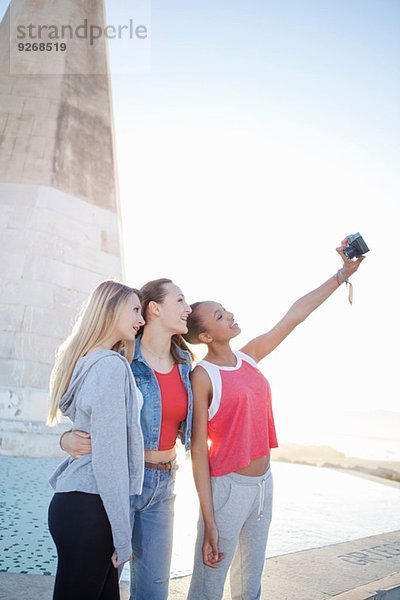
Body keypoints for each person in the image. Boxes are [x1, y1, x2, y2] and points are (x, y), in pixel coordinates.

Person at [183, 239, 365, 600]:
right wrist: (209, 519)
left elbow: (294, 315)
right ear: (205, 336)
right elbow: (199, 452)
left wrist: (341, 275)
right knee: (208, 585)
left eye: (225, 309)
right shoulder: (203, 376)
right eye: (220, 316)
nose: (230, 315)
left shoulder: (249, 357)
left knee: (250, 584)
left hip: (264, 485)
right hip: (227, 489)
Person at [59, 278, 194, 600]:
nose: (187, 308)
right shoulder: (118, 361)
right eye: (180, 300)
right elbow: (87, 419)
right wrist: (65, 438)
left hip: (164, 483)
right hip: (120, 482)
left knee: (150, 591)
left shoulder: (186, 366)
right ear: (155, 308)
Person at [47, 280, 145, 600]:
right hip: (92, 510)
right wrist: (123, 534)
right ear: (110, 309)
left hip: (76, 506)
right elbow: (110, 460)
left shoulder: (85, 362)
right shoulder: (110, 368)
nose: (140, 319)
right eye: (134, 309)